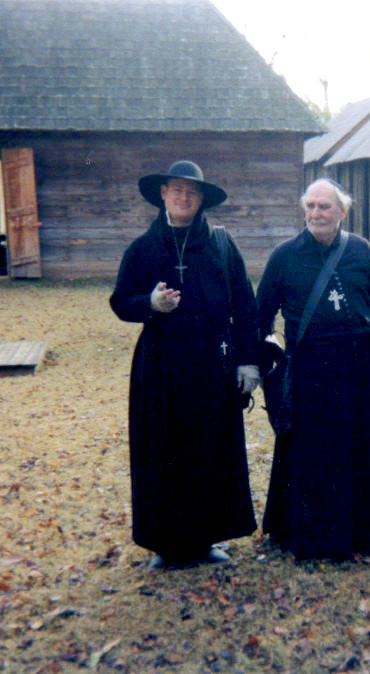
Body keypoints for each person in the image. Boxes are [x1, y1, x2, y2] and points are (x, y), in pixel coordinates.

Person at [109, 160, 261, 568]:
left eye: (192, 192)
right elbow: (121, 301)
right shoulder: (143, 248)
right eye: (177, 189)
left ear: (201, 200)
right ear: (162, 194)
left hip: (213, 366)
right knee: (162, 453)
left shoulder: (221, 246)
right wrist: (150, 305)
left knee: (209, 453)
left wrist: (249, 362)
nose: (183, 197)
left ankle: (205, 540)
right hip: (159, 371)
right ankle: (165, 544)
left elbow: (247, 306)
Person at [257, 178, 370, 561]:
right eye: (311, 206)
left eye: (325, 206)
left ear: (342, 211)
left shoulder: (360, 250)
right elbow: (260, 315)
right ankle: (315, 537)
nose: (316, 213)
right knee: (313, 453)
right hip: (310, 370)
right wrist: (263, 359)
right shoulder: (284, 256)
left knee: (362, 448)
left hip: (361, 370)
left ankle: (366, 532)